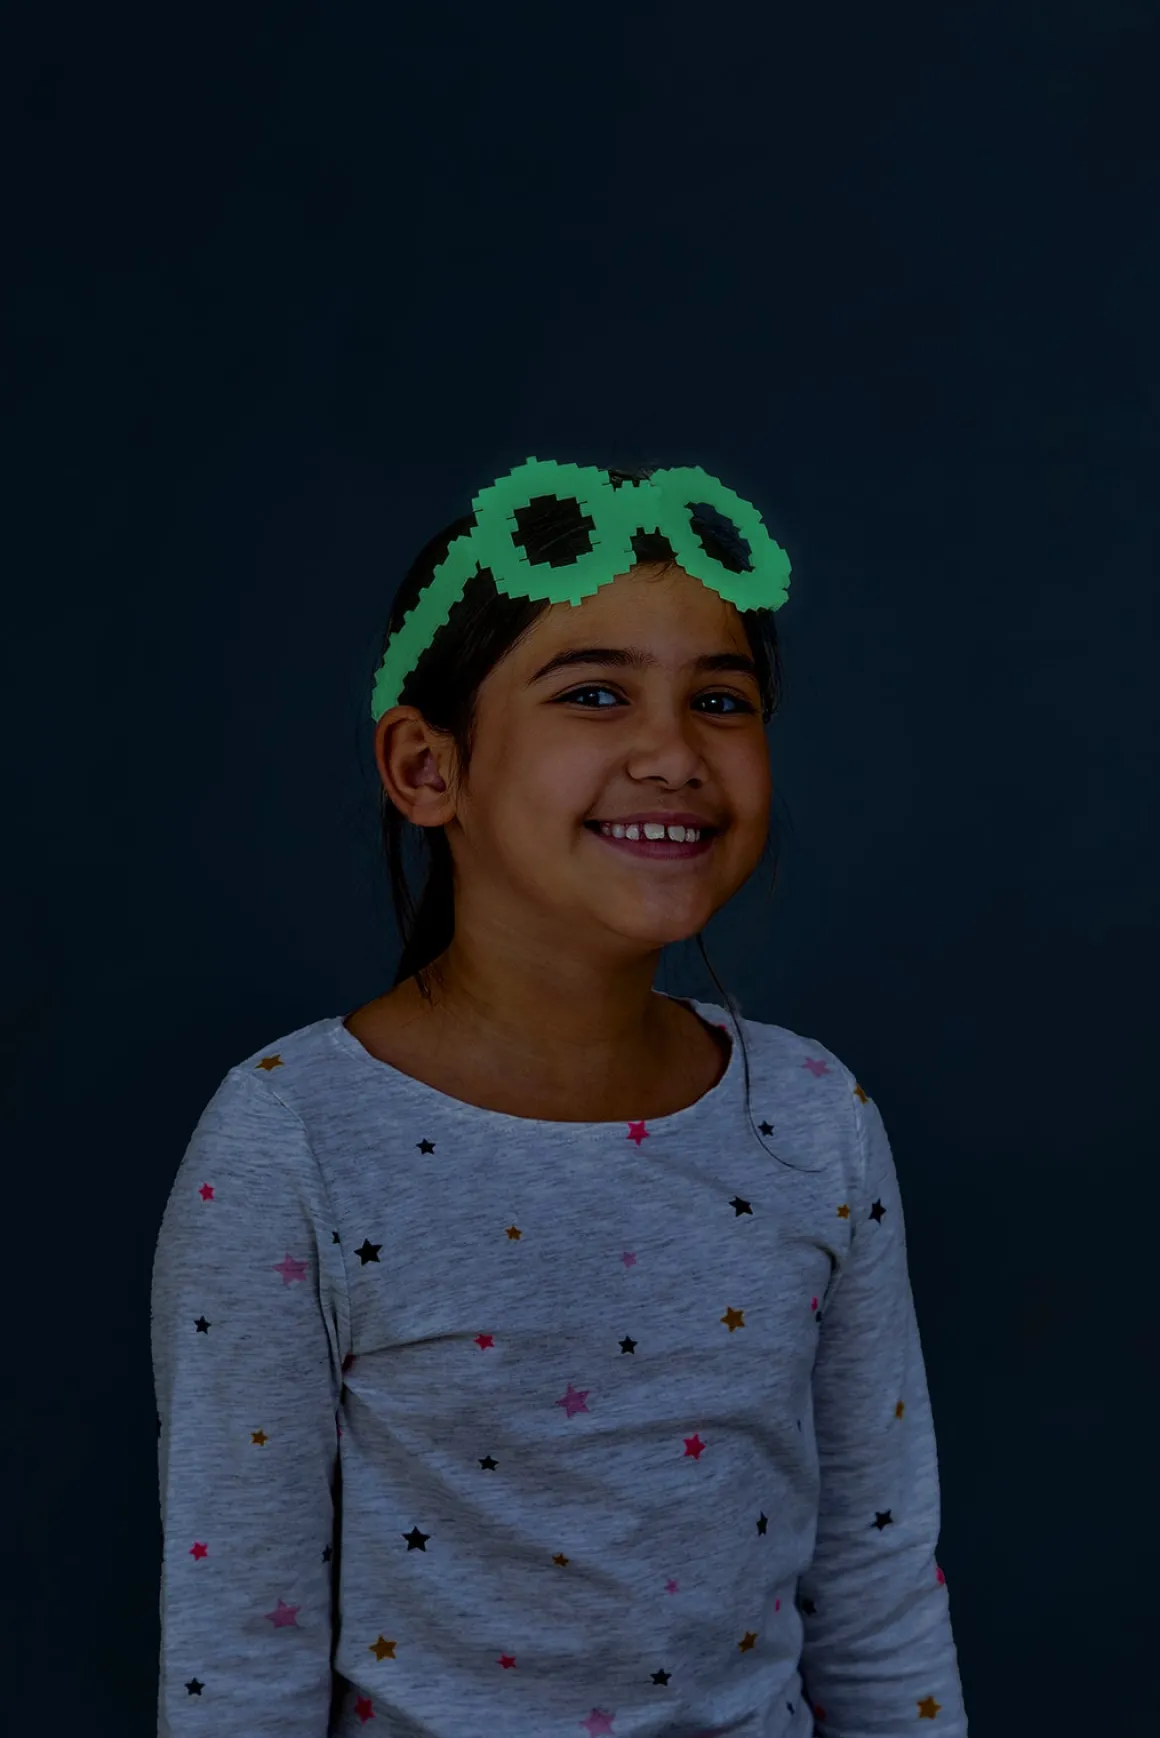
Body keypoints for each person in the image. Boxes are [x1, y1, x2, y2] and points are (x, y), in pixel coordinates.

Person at [150, 461, 968, 1736]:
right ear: (426, 767)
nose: (672, 753)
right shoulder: (292, 1139)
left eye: (719, 699)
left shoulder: (813, 1119)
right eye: (593, 693)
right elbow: (240, 1647)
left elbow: (876, 1591)